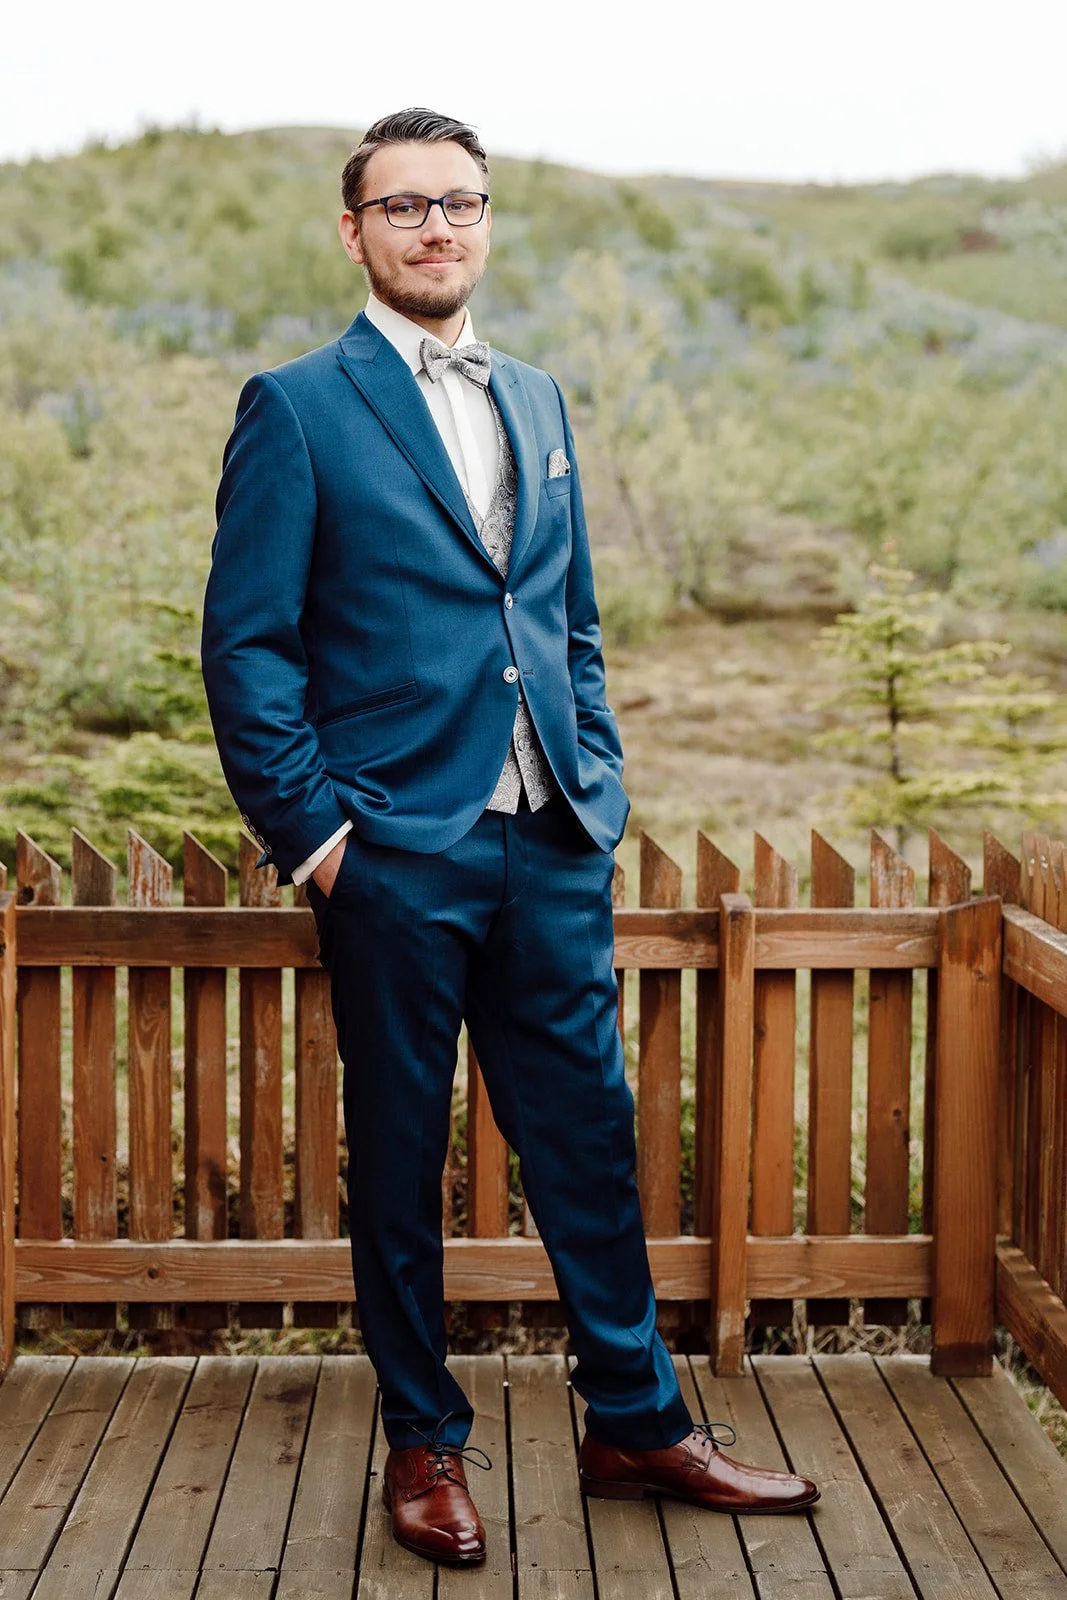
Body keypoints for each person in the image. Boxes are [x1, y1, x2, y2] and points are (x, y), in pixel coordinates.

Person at [201, 107, 818, 1567]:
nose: (436, 228)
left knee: (589, 1142)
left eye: (460, 204)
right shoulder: (294, 407)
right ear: (352, 230)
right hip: (393, 853)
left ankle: (635, 1419)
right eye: (404, 205)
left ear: (485, 223)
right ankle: (424, 1444)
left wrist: (591, 780)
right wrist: (320, 840)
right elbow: (247, 650)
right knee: (403, 1153)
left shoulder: (535, 397)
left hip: (545, 840)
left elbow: (564, 619)